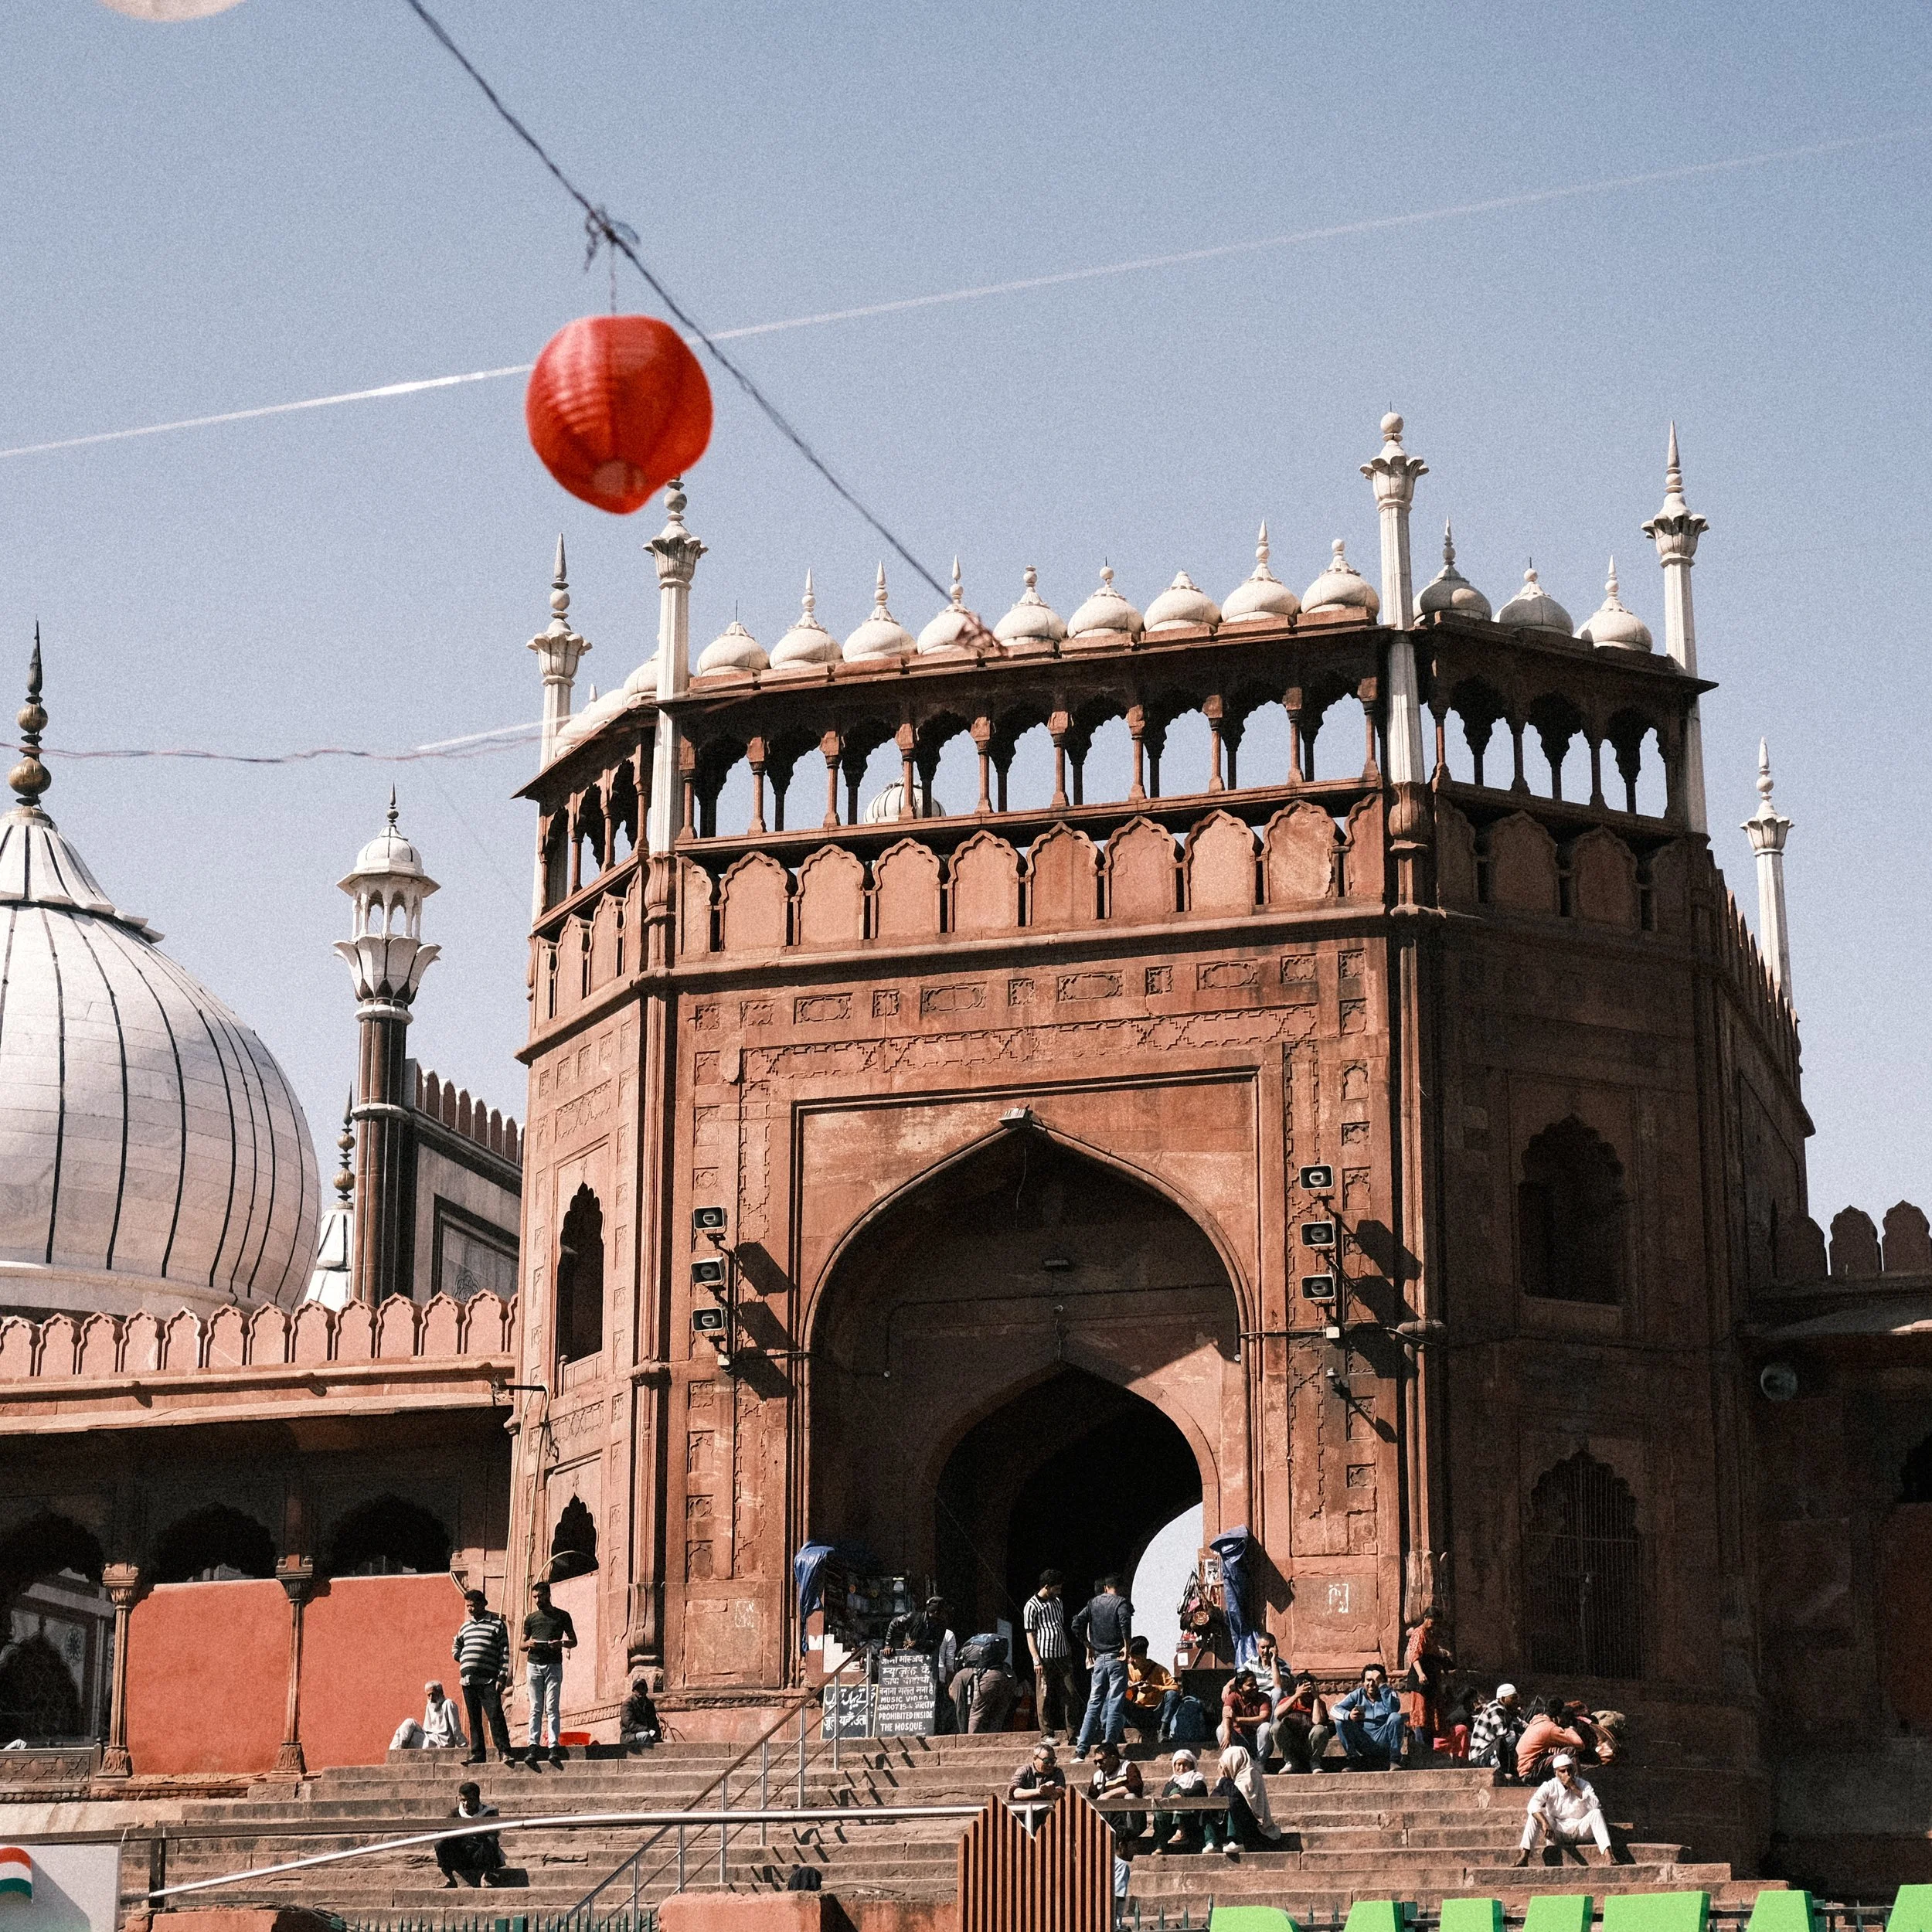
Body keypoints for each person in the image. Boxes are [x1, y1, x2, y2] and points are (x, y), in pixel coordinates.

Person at [1070, 1573, 1134, 1760]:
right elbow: (1125, 1624)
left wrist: (1088, 1645)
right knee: (1115, 1703)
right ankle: (1109, 1747)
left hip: (1099, 1659)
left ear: (1105, 1587)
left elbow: (1076, 1624)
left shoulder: (1092, 1603)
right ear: (1119, 1588)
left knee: (1094, 1703)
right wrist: (1126, 1648)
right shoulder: (1121, 1603)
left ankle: (1081, 1750)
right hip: (1116, 1658)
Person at [452, 1589, 517, 1767]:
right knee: (474, 1719)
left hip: (489, 1679)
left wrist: (502, 1676)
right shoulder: (465, 1626)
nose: (470, 1609)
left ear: (482, 1604)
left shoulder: (497, 1624)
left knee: (495, 1715)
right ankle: (477, 1753)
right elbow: (456, 1643)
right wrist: (460, 1656)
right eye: (468, 1606)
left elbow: (505, 1652)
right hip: (468, 1680)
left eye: (473, 1605)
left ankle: (504, 1751)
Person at [1513, 1753, 1614, 1866]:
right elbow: (1533, 1804)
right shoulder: (1549, 1785)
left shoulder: (1584, 1784)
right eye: (1563, 1771)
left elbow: (1596, 1805)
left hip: (1580, 1829)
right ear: (1556, 1773)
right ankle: (1524, 1855)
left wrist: (1574, 1788)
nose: (1567, 1774)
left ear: (1574, 1770)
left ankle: (1608, 1855)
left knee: (1596, 1813)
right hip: (1557, 1830)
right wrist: (1545, 1822)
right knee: (1535, 1815)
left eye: (1570, 1770)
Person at [522, 1580, 578, 1767]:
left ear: (548, 1595)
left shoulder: (562, 1616)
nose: (537, 1600)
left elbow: (573, 1641)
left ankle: (553, 1746)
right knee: (536, 1707)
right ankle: (533, 1745)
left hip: (554, 1665)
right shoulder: (531, 1618)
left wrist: (560, 1643)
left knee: (552, 1707)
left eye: (540, 1596)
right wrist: (528, 1644)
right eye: (535, 1597)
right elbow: (521, 1644)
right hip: (534, 1665)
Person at [1023, 1571, 1078, 1740]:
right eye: (1056, 1588)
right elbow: (1030, 1634)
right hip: (1044, 1657)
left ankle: (1073, 1733)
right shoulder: (1031, 1605)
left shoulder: (1057, 1602)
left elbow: (1059, 1626)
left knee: (1070, 1693)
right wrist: (1036, 1659)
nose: (1059, 1591)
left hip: (1062, 1654)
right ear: (1047, 1587)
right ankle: (1047, 1733)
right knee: (1045, 1695)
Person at [1332, 1662, 1407, 1770]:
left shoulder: (1389, 1693)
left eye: (1375, 1680)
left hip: (1384, 1739)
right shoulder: (1357, 1694)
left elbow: (1394, 1708)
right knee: (1340, 1721)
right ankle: (1353, 1759)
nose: (1371, 1684)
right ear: (1363, 1682)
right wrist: (1349, 1715)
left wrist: (1382, 1685)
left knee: (1396, 1717)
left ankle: (1394, 1760)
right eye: (1368, 1680)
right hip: (1363, 1740)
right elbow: (1334, 1709)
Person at [1209, 1742, 1281, 1853]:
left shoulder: (1251, 1773)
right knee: (1207, 1808)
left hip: (1254, 1825)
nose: (1223, 1769)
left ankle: (1236, 1841)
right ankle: (1212, 1842)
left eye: (1225, 1765)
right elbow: (1214, 1798)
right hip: (1238, 1820)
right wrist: (1222, 1782)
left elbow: (1236, 1796)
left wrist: (1224, 1779)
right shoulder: (1231, 1779)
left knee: (1233, 1804)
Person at [1401, 1608, 1454, 1757]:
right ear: (1426, 1617)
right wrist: (1420, 1674)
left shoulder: (1430, 1635)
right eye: (1433, 1621)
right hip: (1422, 1680)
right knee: (1420, 1715)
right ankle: (1421, 1750)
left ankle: (1429, 1751)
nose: (1434, 1624)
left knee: (1431, 1717)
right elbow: (1414, 1655)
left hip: (1431, 1680)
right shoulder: (1419, 1632)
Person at [436, 1781, 506, 1888]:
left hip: (479, 1854)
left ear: (477, 1799)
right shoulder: (455, 1814)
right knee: (440, 1843)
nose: (466, 1804)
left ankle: (486, 1876)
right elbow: (442, 1833)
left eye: (470, 1800)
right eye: (463, 1800)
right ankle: (449, 1877)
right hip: (461, 1855)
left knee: (491, 1841)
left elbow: (495, 1833)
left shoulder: (488, 1813)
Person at [1150, 1748, 1213, 1855]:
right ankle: (1160, 1844)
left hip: (1193, 1816)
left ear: (1192, 1765)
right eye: (1178, 1764)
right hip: (1170, 1819)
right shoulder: (1172, 1781)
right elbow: (1166, 1796)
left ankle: (1181, 1830)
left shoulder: (1197, 1778)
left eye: (1185, 1764)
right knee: (1159, 1811)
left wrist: (1181, 1795)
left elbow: (1198, 1790)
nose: (1181, 1768)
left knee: (1176, 1791)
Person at [1088, 1741, 1146, 1848]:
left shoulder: (1127, 1767)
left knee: (1131, 1797)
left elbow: (1136, 1785)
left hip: (1130, 1818)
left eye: (1101, 1761)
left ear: (1113, 1758)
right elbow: (1091, 1796)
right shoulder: (1098, 1776)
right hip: (1110, 1818)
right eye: (1095, 1762)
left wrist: (1111, 1794)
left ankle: (1130, 1839)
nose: (1098, 1765)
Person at [1515, 1698, 1588, 1782]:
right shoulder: (1550, 1728)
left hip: (1525, 1770)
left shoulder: (1536, 1722)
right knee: (1570, 1751)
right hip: (1530, 1773)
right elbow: (1580, 1744)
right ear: (1558, 1715)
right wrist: (1570, 1729)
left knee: (1563, 1752)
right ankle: (1578, 1786)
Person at [1274, 1671, 1333, 1774]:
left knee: (1321, 1729)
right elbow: (1277, 1714)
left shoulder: (1318, 1703)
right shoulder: (1289, 1700)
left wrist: (1315, 1698)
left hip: (1309, 1745)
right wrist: (1296, 1695)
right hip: (1292, 1743)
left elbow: (1317, 1721)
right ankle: (1290, 1762)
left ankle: (1314, 1761)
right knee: (1276, 1727)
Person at [1125, 1638, 1182, 1741]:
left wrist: (1154, 1688)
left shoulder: (1159, 1670)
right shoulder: (1128, 1669)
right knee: (1116, 1699)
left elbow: (1176, 1688)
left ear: (1143, 1656)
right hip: (1138, 1712)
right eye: (1130, 1657)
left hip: (1156, 1713)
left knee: (1172, 1695)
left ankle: (1163, 1730)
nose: (1131, 1661)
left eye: (1134, 1658)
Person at [1469, 1682, 1526, 1781]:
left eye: (1516, 1698)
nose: (1516, 1701)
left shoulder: (1507, 1711)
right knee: (1511, 1738)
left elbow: (1523, 1726)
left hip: (1490, 1753)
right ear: (1503, 1699)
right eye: (1513, 1698)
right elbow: (1503, 1734)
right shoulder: (1495, 1708)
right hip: (1480, 1756)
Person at [1219, 1669, 1276, 1764]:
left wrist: (1238, 1719)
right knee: (1221, 1730)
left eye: (1256, 1684)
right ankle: (1232, 1765)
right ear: (1240, 1688)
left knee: (1266, 1727)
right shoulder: (1233, 1697)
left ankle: (1260, 1763)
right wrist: (1227, 1734)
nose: (1255, 1687)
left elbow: (1263, 1718)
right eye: (1250, 1685)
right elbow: (1226, 1714)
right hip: (1239, 1739)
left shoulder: (1263, 1697)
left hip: (1256, 1740)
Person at [1006, 1740, 1067, 1813]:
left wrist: (1053, 1792)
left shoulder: (1057, 1772)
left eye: (1053, 1761)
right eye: (1046, 1761)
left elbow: (1061, 1794)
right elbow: (1015, 1793)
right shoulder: (1024, 1771)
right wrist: (1038, 1791)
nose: (1050, 1765)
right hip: (1024, 1814)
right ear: (1035, 1759)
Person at [619, 1677, 661, 1747]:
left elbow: (654, 1721)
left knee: (667, 1743)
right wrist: (647, 1730)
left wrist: (657, 1734)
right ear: (633, 1691)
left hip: (648, 1734)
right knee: (645, 1736)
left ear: (646, 1690)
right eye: (638, 1689)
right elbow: (630, 1724)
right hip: (630, 1736)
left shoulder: (649, 1704)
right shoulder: (627, 1704)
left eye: (642, 1688)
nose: (640, 1691)